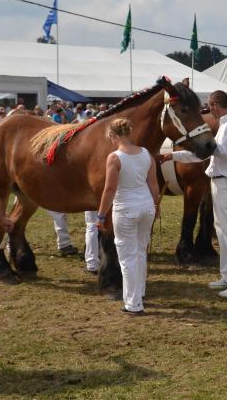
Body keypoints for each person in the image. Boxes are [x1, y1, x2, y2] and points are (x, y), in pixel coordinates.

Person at [161, 90, 227, 298]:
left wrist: (207, 147)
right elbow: (206, 155)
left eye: (209, 105)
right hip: (219, 182)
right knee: (222, 231)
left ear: (214, 105)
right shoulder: (224, 125)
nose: (208, 109)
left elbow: (225, 153)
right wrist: (172, 155)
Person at [96, 118, 158, 314]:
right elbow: (153, 184)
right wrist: (156, 205)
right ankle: (139, 294)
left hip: (126, 208)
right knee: (140, 252)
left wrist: (100, 214)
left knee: (127, 257)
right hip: (146, 205)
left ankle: (133, 303)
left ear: (113, 135)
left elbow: (109, 189)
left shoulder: (114, 157)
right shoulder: (146, 153)